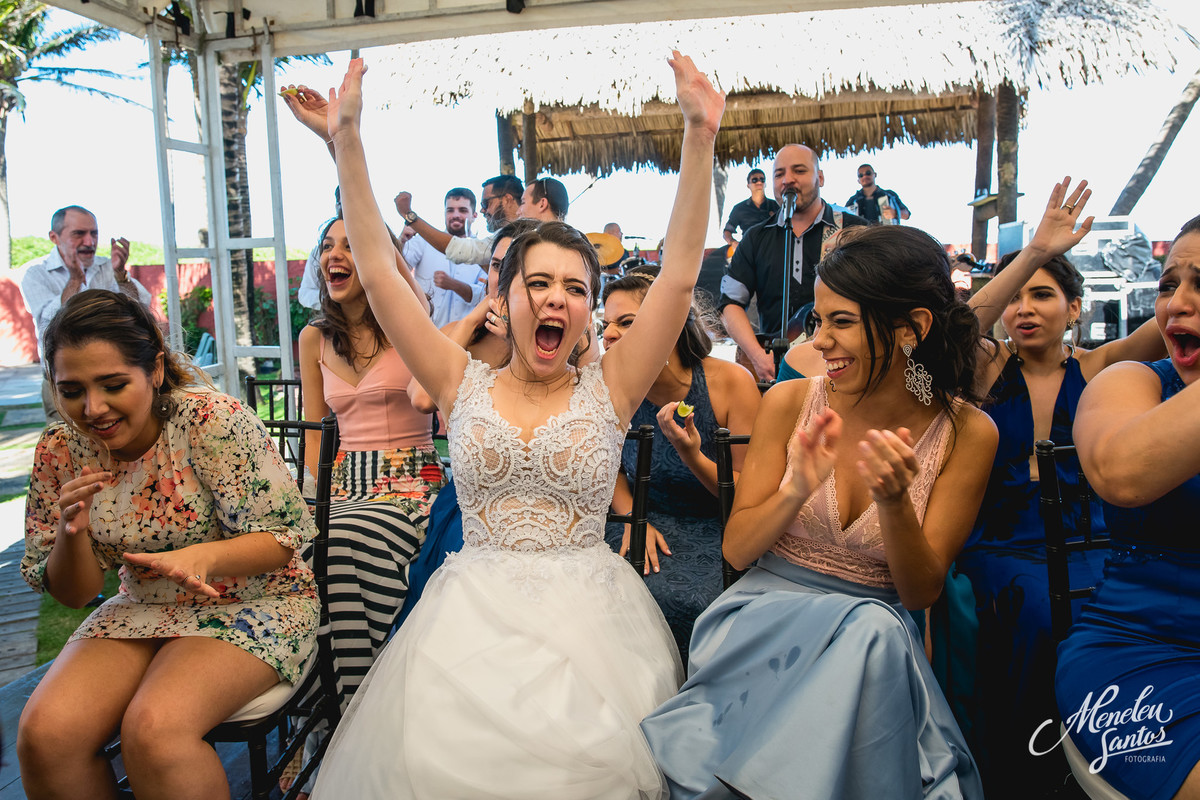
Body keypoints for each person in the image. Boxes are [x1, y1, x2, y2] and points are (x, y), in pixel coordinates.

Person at [308, 51, 722, 797]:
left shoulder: (613, 387)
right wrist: (348, 144)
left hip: (592, 628)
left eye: (574, 288)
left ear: (589, 311)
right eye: (539, 283)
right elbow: (375, 268)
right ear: (507, 295)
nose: (556, 299)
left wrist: (699, 138)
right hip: (465, 623)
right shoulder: (455, 378)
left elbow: (683, 274)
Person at [641, 223, 997, 799]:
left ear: (913, 328)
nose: (820, 341)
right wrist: (795, 489)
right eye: (819, 321)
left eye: (843, 322)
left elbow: (920, 593)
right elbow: (736, 549)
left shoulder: (967, 432)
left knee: (876, 630)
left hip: (875, 646)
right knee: (875, 632)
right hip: (764, 624)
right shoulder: (787, 401)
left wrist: (896, 504)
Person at [17, 289, 317, 800]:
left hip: (256, 600)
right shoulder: (60, 449)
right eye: (71, 391)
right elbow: (72, 593)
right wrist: (71, 533)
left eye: (113, 385)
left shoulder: (209, 422)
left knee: (154, 731)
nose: (93, 409)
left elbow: (284, 539)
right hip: (141, 606)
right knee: (44, 737)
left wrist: (202, 556)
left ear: (155, 368)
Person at [950, 178, 1167, 796]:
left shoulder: (1104, 367)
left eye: (1042, 295)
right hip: (1002, 543)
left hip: (1094, 538)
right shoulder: (987, 364)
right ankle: (1026, 770)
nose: (1024, 308)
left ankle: (1118, 759)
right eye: (1017, 298)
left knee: (1120, 610)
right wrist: (1035, 254)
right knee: (1041, 615)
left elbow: (1173, 320)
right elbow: (951, 333)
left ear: (1075, 309)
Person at [1051, 214, 1200, 800]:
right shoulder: (1128, 382)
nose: (1178, 304)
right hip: (1141, 654)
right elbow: (1122, 473)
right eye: (1168, 286)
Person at [601, 266, 760, 658]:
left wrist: (692, 454)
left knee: (696, 604)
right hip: (640, 520)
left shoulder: (731, 384)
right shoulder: (606, 383)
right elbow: (607, 468)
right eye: (605, 324)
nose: (608, 334)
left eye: (626, 322)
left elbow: (749, 496)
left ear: (668, 323)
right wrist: (633, 520)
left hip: (719, 527)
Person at [719, 144, 866, 382]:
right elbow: (730, 303)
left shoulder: (854, 230)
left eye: (799, 171)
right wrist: (757, 355)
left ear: (820, 177)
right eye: (779, 174)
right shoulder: (755, 238)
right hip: (776, 370)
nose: (788, 180)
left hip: (839, 367)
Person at [20, 205, 151, 422]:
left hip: (112, 376)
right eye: (79, 234)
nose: (90, 242)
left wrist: (121, 276)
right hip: (64, 382)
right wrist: (74, 280)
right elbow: (49, 321)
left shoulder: (107, 267)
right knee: (69, 449)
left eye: (94, 233)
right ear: (54, 237)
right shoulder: (35, 273)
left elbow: (141, 307)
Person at [401, 188, 487, 326]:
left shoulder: (483, 251)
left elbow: (483, 295)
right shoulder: (424, 241)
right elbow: (398, 269)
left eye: (463, 210)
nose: (456, 215)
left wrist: (453, 285)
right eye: (450, 210)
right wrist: (402, 241)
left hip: (465, 338)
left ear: (474, 215)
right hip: (424, 330)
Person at [722, 167, 780, 245]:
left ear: (765, 184)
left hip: (771, 248)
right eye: (754, 180)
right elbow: (727, 231)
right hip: (748, 249)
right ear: (748, 185)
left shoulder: (776, 205)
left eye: (762, 179)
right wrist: (733, 243)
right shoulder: (739, 208)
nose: (759, 182)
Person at [846, 163, 911, 224]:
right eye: (861, 175)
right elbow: (844, 218)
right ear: (858, 180)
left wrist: (895, 213)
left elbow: (907, 215)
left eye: (868, 173)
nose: (865, 176)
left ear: (875, 174)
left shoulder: (889, 195)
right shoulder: (853, 200)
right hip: (863, 235)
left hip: (888, 234)